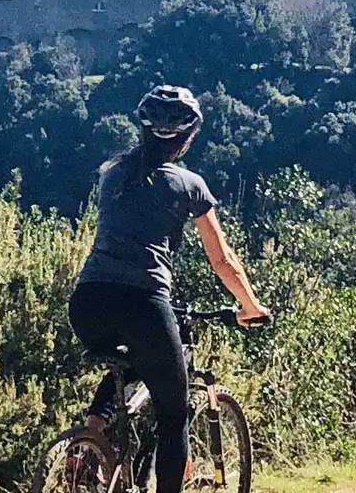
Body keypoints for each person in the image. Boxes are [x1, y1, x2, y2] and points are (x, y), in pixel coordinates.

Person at [68, 84, 271, 493]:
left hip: (87, 301)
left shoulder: (112, 174)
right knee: (174, 412)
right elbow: (222, 260)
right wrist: (249, 305)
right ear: (188, 137)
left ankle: (90, 445)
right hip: (143, 302)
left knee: (127, 360)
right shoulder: (188, 184)